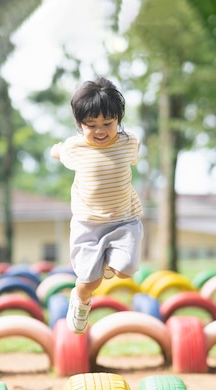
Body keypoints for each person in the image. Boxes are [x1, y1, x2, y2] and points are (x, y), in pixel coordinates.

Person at [50, 77, 144, 334]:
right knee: (90, 280)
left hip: (124, 219)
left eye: (108, 123)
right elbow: (60, 152)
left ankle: (108, 261)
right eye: (91, 125)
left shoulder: (127, 143)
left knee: (125, 271)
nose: (100, 131)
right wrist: (56, 150)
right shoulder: (75, 147)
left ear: (118, 120)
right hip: (88, 224)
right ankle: (80, 301)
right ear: (80, 125)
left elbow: (136, 148)